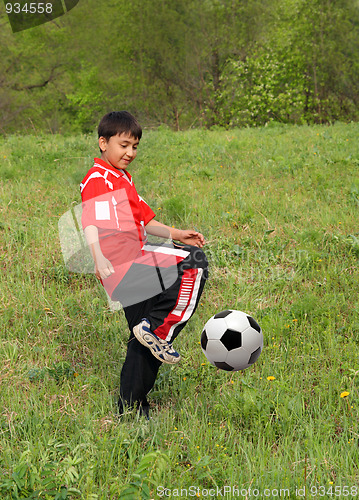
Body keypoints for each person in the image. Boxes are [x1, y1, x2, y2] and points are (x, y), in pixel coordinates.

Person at [80, 111, 208, 417]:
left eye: (135, 147)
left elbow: (145, 220)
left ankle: (132, 410)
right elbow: (90, 222)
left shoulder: (123, 178)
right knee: (195, 261)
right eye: (123, 145)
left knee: (143, 340)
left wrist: (178, 234)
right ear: (103, 143)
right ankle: (158, 328)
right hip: (123, 265)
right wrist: (97, 257)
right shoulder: (98, 178)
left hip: (131, 266)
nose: (130, 153)